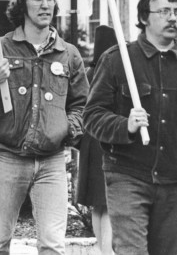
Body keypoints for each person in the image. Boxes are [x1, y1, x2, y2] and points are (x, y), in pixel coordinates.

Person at [0, 0, 88, 254]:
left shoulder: (68, 54)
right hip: (7, 157)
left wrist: (68, 128)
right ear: (22, 4)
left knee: (53, 245)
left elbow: (82, 104)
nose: (46, 5)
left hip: (52, 161)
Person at [84, 0, 177, 255]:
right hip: (128, 176)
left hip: (174, 181)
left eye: (176, 12)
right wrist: (125, 125)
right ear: (145, 17)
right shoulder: (117, 60)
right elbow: (92, 116)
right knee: (132, 251)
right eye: (164, 11)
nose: (173, 18)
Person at [76, 25, 115, 255]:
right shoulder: (109, 73)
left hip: (88, 144)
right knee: (107, 201)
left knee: (96, 202)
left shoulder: (88, 73)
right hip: (103, 142)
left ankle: (100, 245)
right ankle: (107, 249)